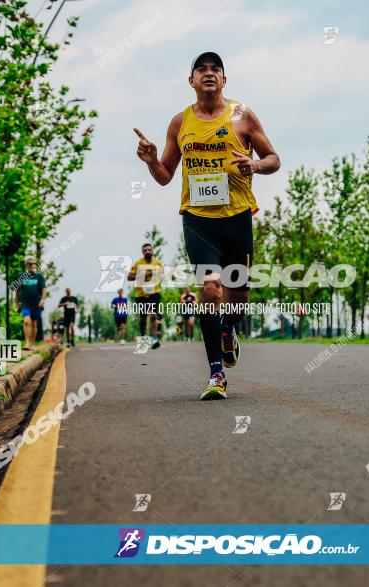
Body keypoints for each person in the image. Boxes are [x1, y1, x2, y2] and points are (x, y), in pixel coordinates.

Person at [134, 51, 280, 399]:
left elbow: (274, 159)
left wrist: (255, 166)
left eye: (216, 69)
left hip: (238, 218)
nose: (209, 73)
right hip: (199, 221)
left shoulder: (243, 116)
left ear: (224, 80)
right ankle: (216, 374)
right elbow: (165, 176)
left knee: (238, 301)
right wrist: (153, 160)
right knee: (211, 291)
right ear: (192, 80)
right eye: (202, 69)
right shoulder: (179, 123)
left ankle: (228, 330)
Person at [127, 243, 164, 349]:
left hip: (154, 292)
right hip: (141, 294)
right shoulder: (138, 263)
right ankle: (143, 337)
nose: (147, 251)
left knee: (153, 314)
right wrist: (142, 274)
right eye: (145, 250)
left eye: (149, 250)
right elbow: (129, 277)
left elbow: (162, 275)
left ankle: (153, 338)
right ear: (142, 252)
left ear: (152, 251)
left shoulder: (157, 263)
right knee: (143, 318)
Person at [14, 257, 47, 351]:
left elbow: (44, 290)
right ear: (26, 265)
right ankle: (27, 342)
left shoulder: (39, 276)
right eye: (30, 264)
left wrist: (42, 300)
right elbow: (17, 291)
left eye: (34, 264)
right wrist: (16, 303)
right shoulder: (21, 276)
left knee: (34, 324)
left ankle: (32, 342)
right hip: (25, 304)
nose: (32, 266)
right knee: (26, 321)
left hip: (36, 304)